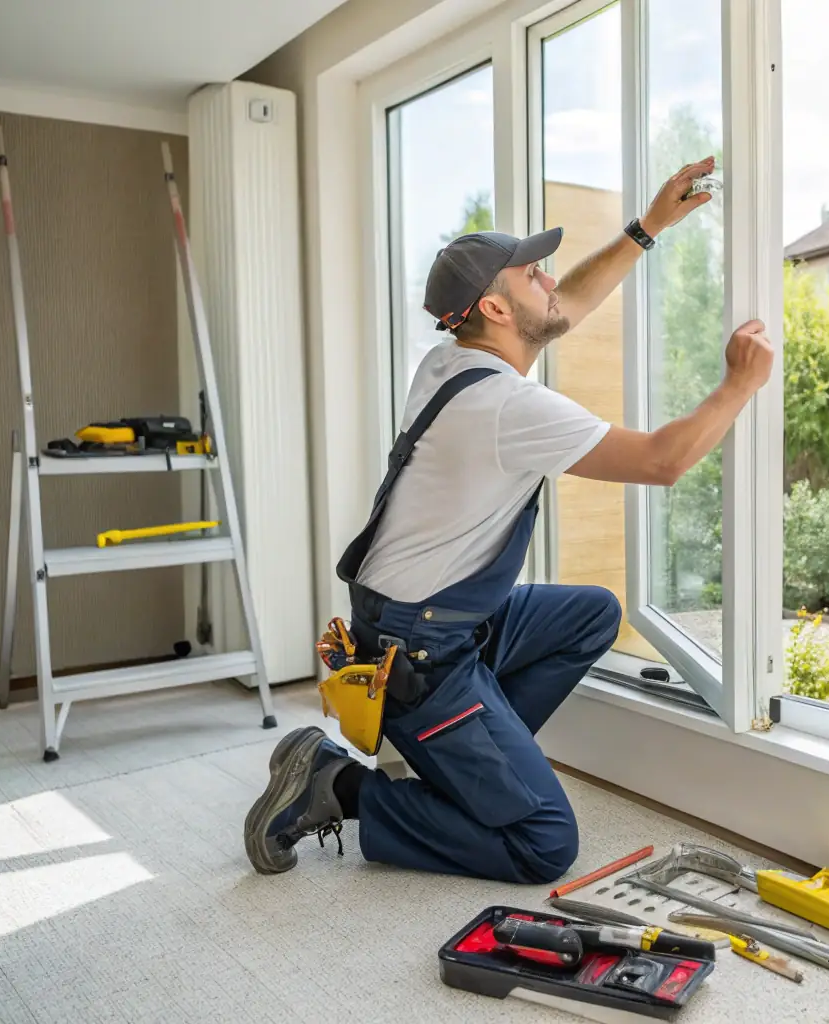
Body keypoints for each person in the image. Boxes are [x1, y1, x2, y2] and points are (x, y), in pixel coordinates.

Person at [243, 156, 773, 884]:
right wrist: (739, 384)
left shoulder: (449, 361)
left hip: (426, 621)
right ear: (494, 310)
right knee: (542, 845)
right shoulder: (504, 405)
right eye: (531, 274)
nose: (549, 279)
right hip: (420, 652)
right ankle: (339, 786)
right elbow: (662, 461)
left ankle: (473, 770)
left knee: (590, 614)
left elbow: (567, 307)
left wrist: (645, 228)